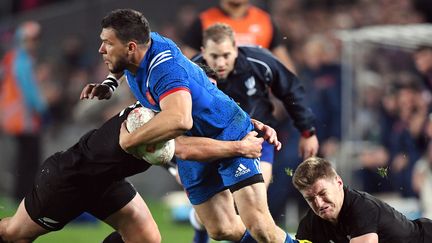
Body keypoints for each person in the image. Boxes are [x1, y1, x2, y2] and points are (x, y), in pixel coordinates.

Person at [81, 8, 298, 243]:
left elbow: (180, 121)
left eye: (107, 44)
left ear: (131, 47)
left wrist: (129, 141)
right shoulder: (140, 50)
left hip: (228, 132)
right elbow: (122, 64)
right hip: (193, 144)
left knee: (261, 229)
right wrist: (110, 83)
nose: (101, 49)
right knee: (221, 230)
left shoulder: (163, 70)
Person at [0, 94, 270, 243]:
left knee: (147, 240)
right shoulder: (152, 119)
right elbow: (183, 149)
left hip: (108, 182)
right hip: (70, 179)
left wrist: (249, 125)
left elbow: (214, 126)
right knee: (13, 234)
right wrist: (240, 148)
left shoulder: (178, 106)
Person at [189, 23, 318, 242]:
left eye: (226, 55)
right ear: (203, 51)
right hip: (213, 146)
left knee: (253, 208)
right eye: (214, 56)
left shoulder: (260, 61)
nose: (220, 63)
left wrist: (307, 131)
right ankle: (199, 224)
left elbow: (291, 90)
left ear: (236, 49)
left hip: (257, 142)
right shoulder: (190, 71)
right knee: (220, 222)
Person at [292, 156, 432, 243]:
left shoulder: (362, 208)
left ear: (339, 183)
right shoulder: (311, 223)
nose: (318, 203)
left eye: (323, 193)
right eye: (310, 199)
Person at [0, 21, 48, 201]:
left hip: (13, 118)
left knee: (22, 159)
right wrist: (43, 109)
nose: (34, 43)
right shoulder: (22, 61)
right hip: (25, 119)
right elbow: (29, 90)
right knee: (30, 160)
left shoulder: (11, 59)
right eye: (31, 39)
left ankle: (19, 195)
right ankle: (26, 196)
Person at [181, 0, 296, 72]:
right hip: (219, 98)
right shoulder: (203, 21)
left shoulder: (265, 21)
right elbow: (186, 65)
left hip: (258, 100)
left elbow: (285, 66)